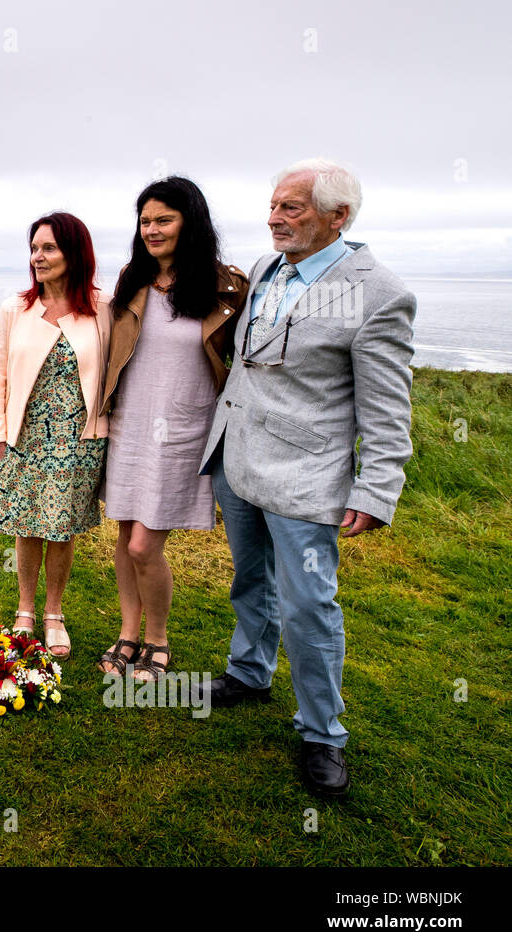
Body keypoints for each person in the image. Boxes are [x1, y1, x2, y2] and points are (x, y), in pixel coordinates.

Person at [199, 158, 416, 797]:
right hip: (237, 460)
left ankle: (323, 733)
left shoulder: (379, 292)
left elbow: (386, 406)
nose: (274, 219)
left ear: (337, 216)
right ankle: (249, 672)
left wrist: (376, 489)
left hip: (305, 477)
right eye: (273, 206)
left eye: (291, 208)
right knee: (250, 579)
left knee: (309, 606)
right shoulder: (268, 269)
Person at [95, 177, 248, 682]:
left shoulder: (227, 285)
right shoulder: (131, 279)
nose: (152, 230)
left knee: (145, 545)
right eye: (145, 221)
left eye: (164, 219)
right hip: (129, 425)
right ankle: (128, 633)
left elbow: (245, 358)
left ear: (191, 222)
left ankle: (157, 640)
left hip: (184, 428)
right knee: (124, 535)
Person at [0, 212, 112, 660]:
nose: (38, 256)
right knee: (26, 525)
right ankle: (24, 610)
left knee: (62, 528)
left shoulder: (103, 307)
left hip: (79, 438)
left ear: (75, 253)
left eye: (49, 248)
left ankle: (53, 613)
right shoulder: (14, 309)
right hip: (24, 435)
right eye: (35, 248)